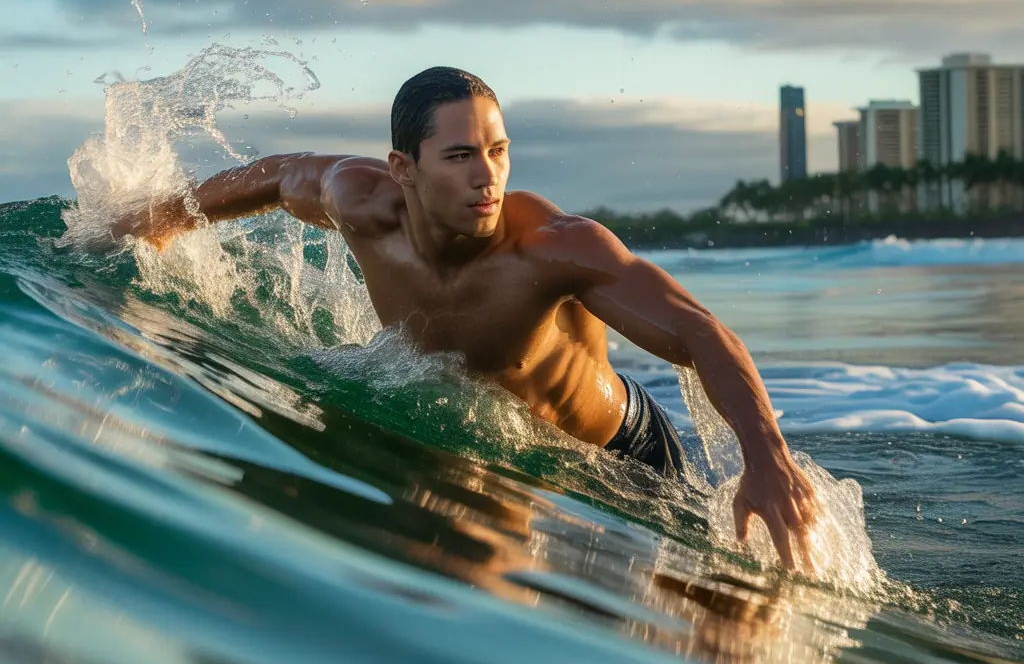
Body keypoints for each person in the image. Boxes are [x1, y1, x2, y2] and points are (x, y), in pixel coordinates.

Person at [114, 67, 820, 570]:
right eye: (459, 156)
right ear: (404, 169)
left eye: (498, 150)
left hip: (622, 457)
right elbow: (272, 173)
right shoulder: (356, 200)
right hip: (482, 450)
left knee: (716, 602)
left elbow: (701, 331)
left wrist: (768, 459)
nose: (488, 176)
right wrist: (156, 222)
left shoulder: (552, 249)